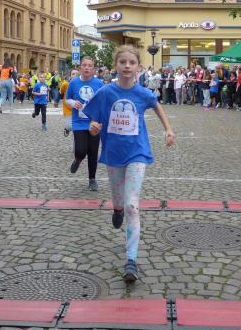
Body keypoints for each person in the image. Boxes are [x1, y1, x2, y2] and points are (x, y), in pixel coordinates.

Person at [84, 45, 176, 283]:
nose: (127, 66)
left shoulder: (143, 93)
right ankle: (117, 209)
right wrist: (93, 127)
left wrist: (168, 129)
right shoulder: (106, 92)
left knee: (132, 205)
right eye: (122, 62)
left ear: (138, 67)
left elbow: (156, 105)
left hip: (138, 152)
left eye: (132, 62)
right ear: (115, 65)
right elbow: (92, 118)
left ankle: (131, 260)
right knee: (119, 201)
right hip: (113, 154)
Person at [66, 57, 104, 191]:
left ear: (93, 69)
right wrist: (73, 103)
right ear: (80, 68)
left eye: (90, 65)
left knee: (93, 151)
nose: (87, 67)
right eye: (84, 65)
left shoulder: (99, 83)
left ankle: (92, 179)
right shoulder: (74, 83)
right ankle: (78, 159)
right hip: (79, 122)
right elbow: (67, 99)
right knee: (81, 150)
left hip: (94, 122)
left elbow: (103, 101)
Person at [61, 70, 76, 136]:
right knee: (69, 126)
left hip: (77, 108)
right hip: (67, 108)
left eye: (76, 74)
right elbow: (61, 91)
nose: (75, 75)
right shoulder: (66, 84)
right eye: (73, 74)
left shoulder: (81, 85)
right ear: (70, 76)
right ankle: (67, 129)